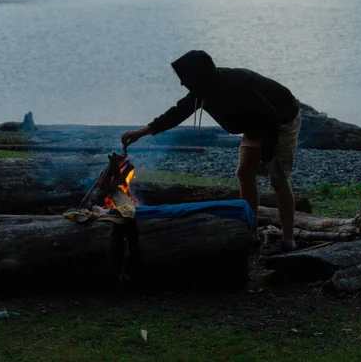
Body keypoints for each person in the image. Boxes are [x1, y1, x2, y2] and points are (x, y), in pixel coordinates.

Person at [121, 50, 301, 254]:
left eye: (184, 78)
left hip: (281, 120)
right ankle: (251, 233)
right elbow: (178, 112)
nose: (182, 84)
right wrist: (143, 131)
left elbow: (271, 119)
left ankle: (288, 241)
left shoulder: (239, 86)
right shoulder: (202, 89)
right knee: (244, 172)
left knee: (277, 178)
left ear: (198, 76)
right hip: (255, 124)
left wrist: (267, 156)